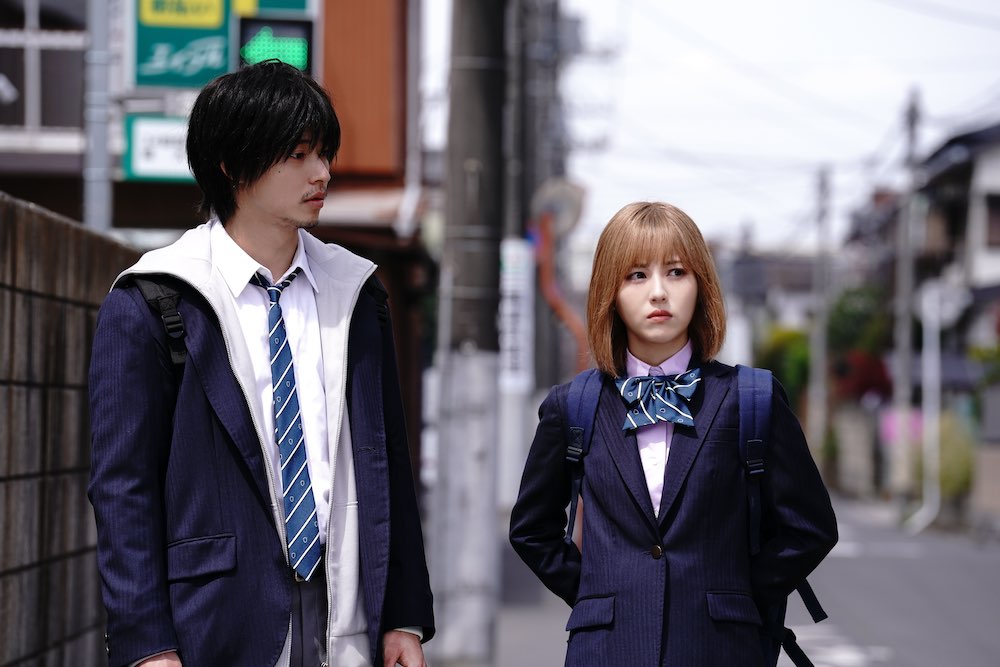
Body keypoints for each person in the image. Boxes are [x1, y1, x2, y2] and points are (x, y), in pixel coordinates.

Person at [87, 60, 434, 667]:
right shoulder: (157, 297)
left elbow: (388, 462)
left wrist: (403, 615)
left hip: (345, 614)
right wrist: (147, 644)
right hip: (215, 621)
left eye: (324, 153)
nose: (321, 173)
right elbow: (123, 488)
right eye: (298, 154)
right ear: (232, 163)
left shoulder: (358, 293)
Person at [509, 201, 838, 666]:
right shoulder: (573, 405)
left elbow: (811, 527)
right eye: (636, 275)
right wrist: (597, 597)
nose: (659, 292)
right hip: (605, 651)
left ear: (701, 285)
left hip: (721, 650)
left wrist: (738, 596)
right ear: (610, 290)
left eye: (677, 272)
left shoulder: (752, 397)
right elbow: (531, 530)